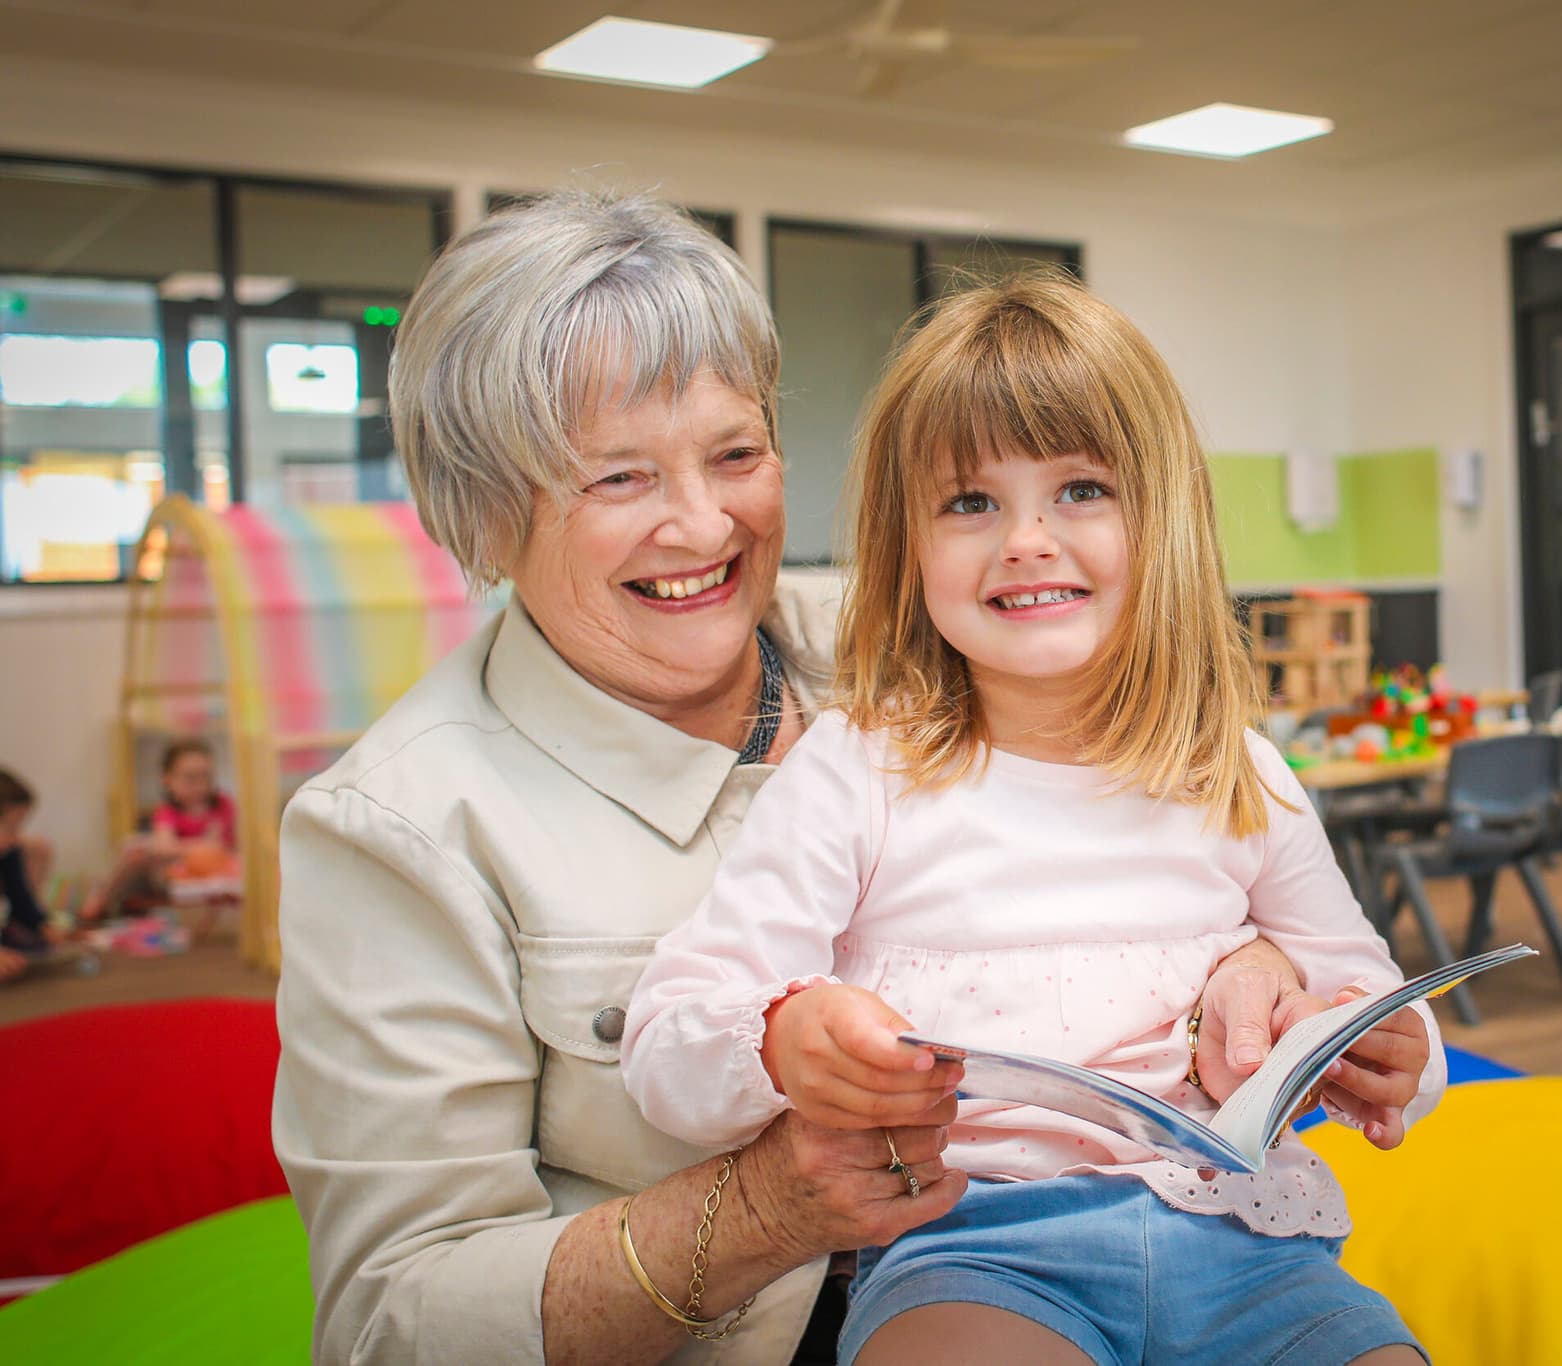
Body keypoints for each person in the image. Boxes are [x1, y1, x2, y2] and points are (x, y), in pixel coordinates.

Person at [271, 192, 1342, 1366]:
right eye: (618, 479)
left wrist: (1254, 947)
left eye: (735, 454)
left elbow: (1171, 810)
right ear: (483, 510)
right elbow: (388, 1324)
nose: (702, 523)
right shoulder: (400, 828)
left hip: (1152, 1249)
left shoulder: (932, 635)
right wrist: (771, 1203)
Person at [622, 273, 1446, 1365]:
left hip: (1249, 1247)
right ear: (906, 546)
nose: (1025, 539)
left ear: (1163, 519)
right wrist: (780, 1040)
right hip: (973, 1247)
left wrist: (1395, 1048)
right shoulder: (858, 769)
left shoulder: (1240, 773)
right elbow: (670, 1034)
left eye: (1080, 490)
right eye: (969, 502)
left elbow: (1371, 997)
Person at [81, 737, 241, 925]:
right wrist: (200, 846)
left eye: (206, 776)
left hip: (216, 870)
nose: (200, 785)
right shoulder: (167, 812)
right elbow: (165, 847)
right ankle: (102, 901)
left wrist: (195, 848)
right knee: (135, 850)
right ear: (167, 780)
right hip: (175, 873)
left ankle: (102, 900)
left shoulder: (223, 805)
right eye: (190, 778)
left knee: (139, 849)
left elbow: (227, 847)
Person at [1, 768, 55, 982]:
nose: (16, 838)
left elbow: (20, 895)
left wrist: (42, 925)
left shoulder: (9, 852)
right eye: (10, 828)